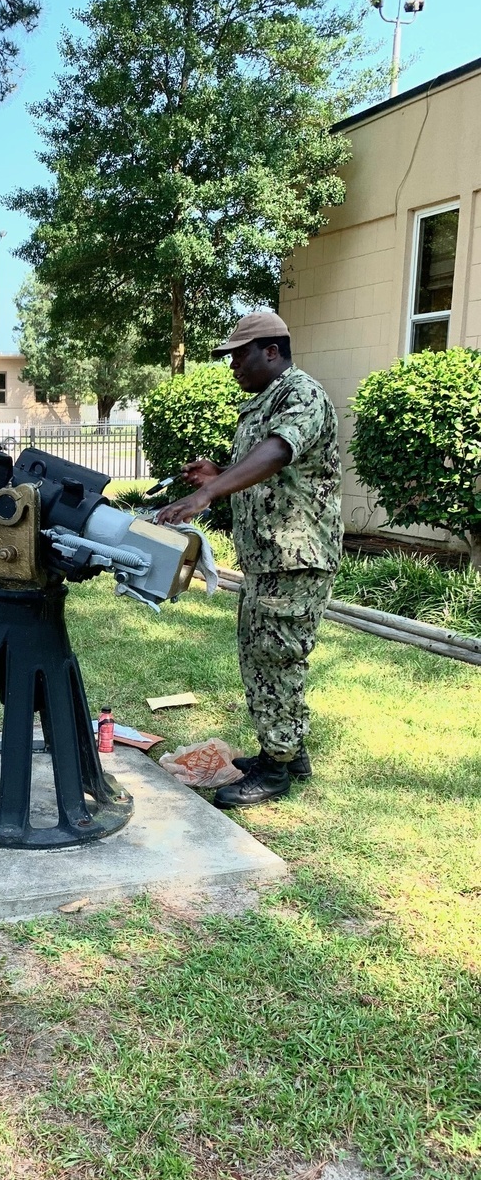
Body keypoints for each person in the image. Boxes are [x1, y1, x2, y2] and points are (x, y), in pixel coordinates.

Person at [155, 312, 342, 809]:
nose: (232, 364)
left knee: (277, 658)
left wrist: (208, 494)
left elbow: (279, 453)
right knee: (262, 657)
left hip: (296, 556)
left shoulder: (302, 394)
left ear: (272, 351)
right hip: (270, 557)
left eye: (240, 354)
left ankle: (277, 772)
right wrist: (219, 472)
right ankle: (284, 752)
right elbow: (269, 469)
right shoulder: (267, 401)